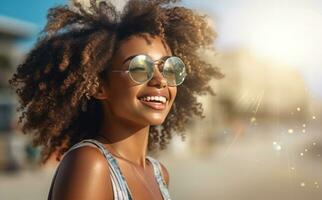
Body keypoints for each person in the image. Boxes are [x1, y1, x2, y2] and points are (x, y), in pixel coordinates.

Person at [9, 0, 224, 199]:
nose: (160, 80)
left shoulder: (159, 173)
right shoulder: (90, 164)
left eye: (170, 69)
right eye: (140, 68)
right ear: (98, 86)